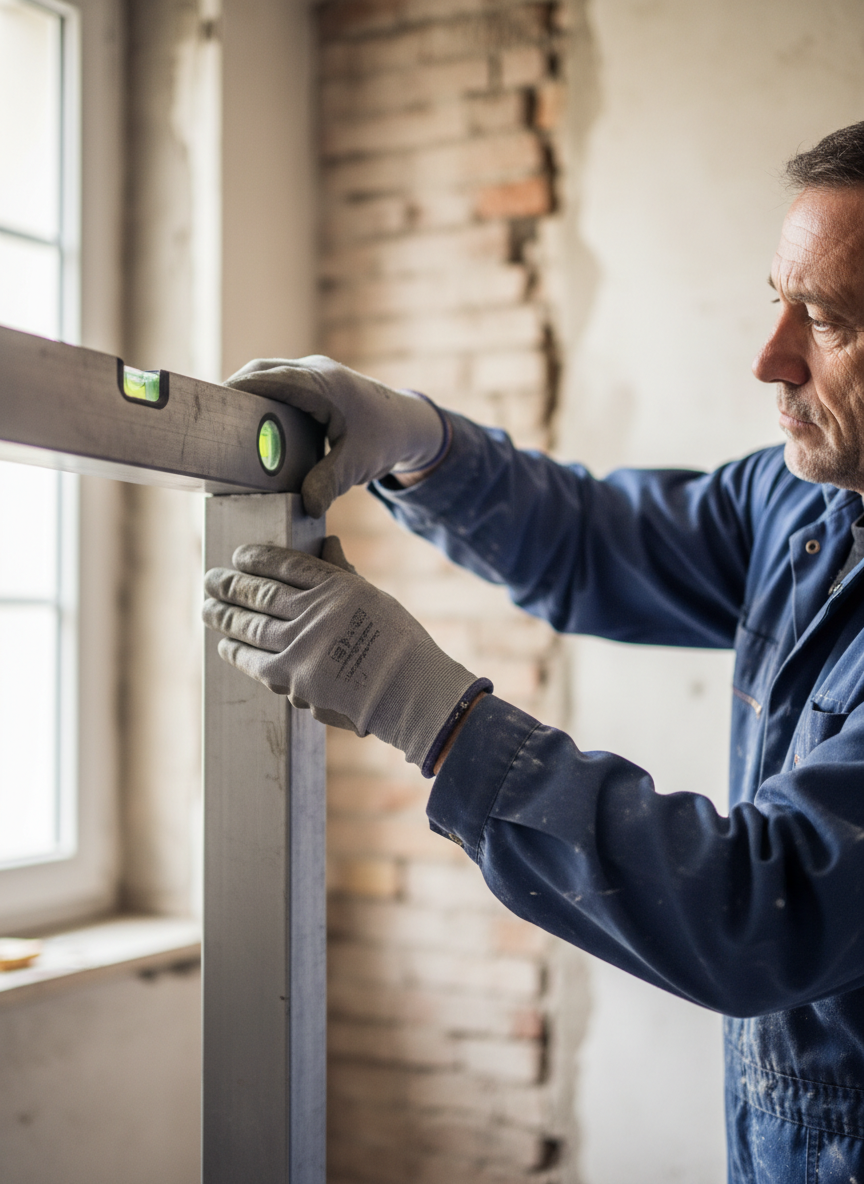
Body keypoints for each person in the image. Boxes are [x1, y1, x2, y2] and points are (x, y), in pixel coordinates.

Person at [203, 122, 864, 1180]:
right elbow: (600, 541)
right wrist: (424, 442)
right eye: (775, 299)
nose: (769, 357)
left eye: (825, 319)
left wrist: (429, 711)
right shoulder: (811, 498)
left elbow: (760, 910)